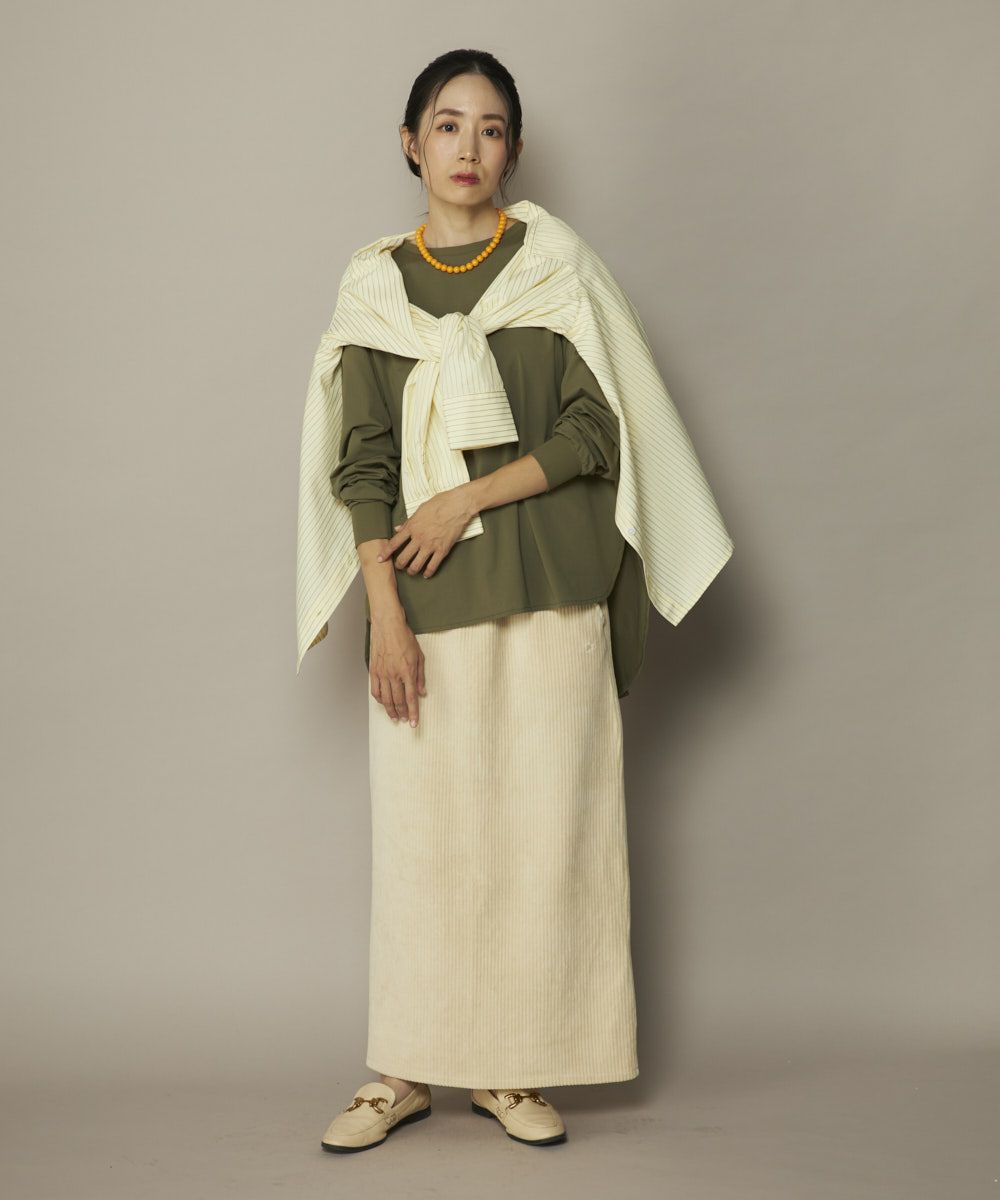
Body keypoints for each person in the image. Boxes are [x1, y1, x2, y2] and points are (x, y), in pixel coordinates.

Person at [298, 49, 733, 1153]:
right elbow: (359, 461)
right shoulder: (373, 287)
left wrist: (461, 500)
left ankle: (510, 1065)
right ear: (411, 143)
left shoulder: (556, 266)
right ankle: (403, 1068)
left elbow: (599, 430)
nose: (469, 147)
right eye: (448, 125)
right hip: (422, 599)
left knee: (547, 834)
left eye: (491, 129)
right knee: (425, 844)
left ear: (515, 150)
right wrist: (382, 614)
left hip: (553, 588)